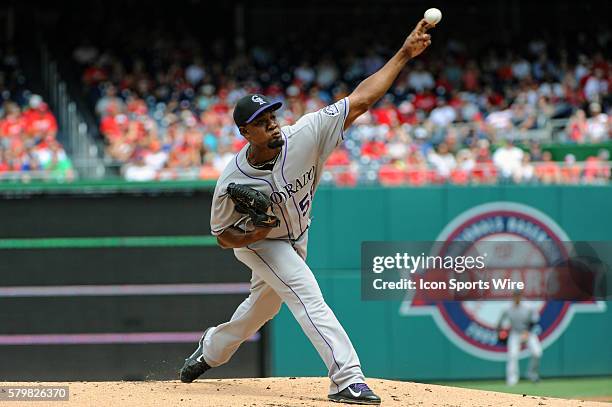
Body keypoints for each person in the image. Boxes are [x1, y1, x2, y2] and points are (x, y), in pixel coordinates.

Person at [178, 18, 435, 405]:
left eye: (271, 118)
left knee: (264, 306)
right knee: (306, 295)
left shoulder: (306, 133)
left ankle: (212, 348)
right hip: (262, 243)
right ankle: (346, 379)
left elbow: (362, 99)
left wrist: (403, 54)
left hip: (297, 235)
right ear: (246, 134)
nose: (272, 126)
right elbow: (222, 236)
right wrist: (252, 235)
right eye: (261, 124)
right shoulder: (232, 178)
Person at [497, 290, 542, 386]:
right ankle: (512, 380)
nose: (517, 297)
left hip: (528, 332)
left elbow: (534, 320)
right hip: (515, 333)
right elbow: (499, 324)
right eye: (515, 295)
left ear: (521, 296)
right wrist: (501, 333)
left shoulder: (528, 307)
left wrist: (527, 332)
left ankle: (532, 373)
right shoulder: (507, 308)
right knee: (512, 355)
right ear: (512, 296)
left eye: (518, 295)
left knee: (537, 353)